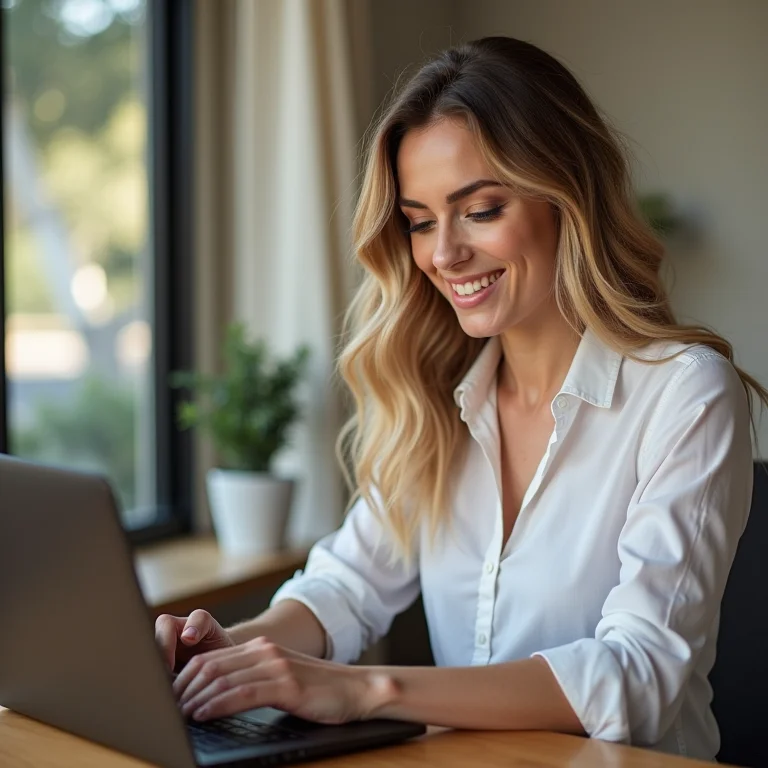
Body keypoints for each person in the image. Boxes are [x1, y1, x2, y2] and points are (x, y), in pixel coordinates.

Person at [157, 36, 767, 760]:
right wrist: (227, 652)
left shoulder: (686, 394)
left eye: (479, 210)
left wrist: (368, 690)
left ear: (567, 198)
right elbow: (346, 587)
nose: (443, 254)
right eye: (419, 221)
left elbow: (639, 674)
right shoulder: (435, 398)